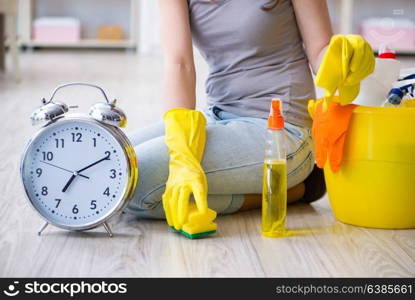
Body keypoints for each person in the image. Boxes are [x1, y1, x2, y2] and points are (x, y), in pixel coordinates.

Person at [126, 0, 332, 219]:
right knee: (115, 163)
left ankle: (293, 189)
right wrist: (181, 152)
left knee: (135, 187)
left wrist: (344, 58)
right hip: (217, 115)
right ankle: (287, 189)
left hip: (281, 130)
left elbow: (321, 51)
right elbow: (179, 63)